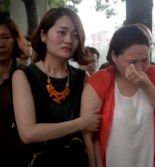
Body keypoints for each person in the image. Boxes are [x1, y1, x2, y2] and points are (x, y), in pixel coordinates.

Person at [11, 7, 101, 167]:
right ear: (43, 35)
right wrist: (80, 123)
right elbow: (28, 133)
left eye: (75, 35)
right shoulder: (24, 75)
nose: (69, 40)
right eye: (62, 32)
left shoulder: (82, 78)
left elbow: (90, 133)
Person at [81, 24, 155, 167]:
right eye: (132, 62)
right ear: (114, 56)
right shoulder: (99, 81)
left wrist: (147, 86)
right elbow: (88, 135)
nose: (140, 68)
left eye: (145, 59)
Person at [0, 11, 30, 166]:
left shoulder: (27, 77)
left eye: (6, 38)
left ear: (15, 39)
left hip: (20, 158)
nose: (1, 44)